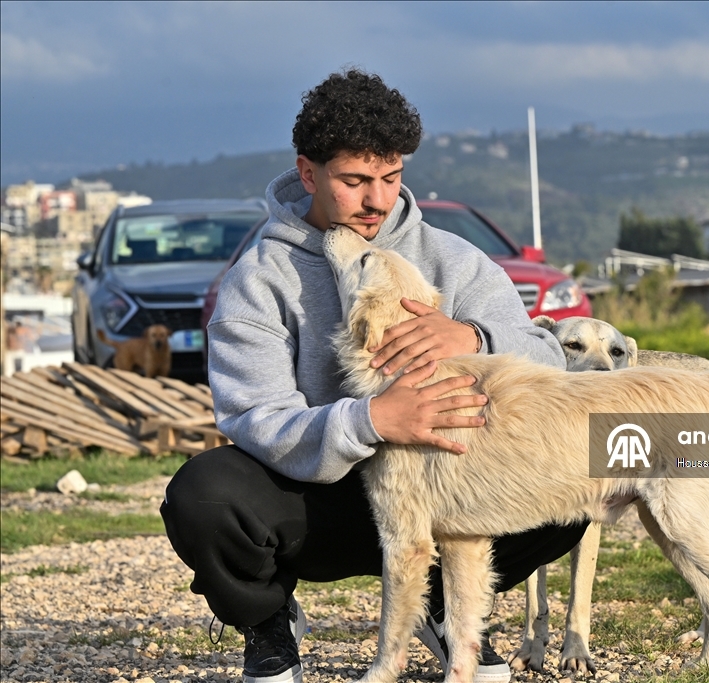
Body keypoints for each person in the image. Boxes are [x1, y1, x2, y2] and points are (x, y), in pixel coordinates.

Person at [160, 69, 588, 683]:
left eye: (391, 178)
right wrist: (371, 420)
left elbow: (546, 358)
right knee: (204, 496)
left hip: (442, 494)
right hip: (319, 503)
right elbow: (252, 417)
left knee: (578, 470)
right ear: (308, 173)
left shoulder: (451, 257)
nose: (377, 200)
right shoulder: (257, 279)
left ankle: (442, 608)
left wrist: (473, 336)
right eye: (355, 180)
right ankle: (268, 623)